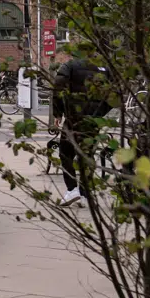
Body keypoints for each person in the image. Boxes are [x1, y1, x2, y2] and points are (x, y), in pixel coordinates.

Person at [52, 57, 109, 205]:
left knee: (65, 152)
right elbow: (115, 92)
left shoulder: (71, 64)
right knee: (87, 154)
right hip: (94, 119)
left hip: (74, 115)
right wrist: (100, 112)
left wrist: (58, 111)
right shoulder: (103, 66)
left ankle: (72, 190)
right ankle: (84, 193)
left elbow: (58, 83)